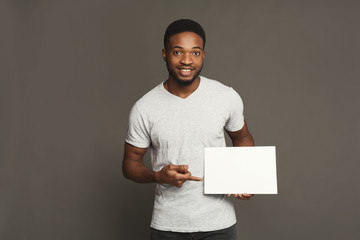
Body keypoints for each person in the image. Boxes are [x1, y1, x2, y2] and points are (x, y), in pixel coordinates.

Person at [123, 19, 255, 240]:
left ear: (203, 55)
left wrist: (243, 177)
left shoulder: (225, 96)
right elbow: (130, 164)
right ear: (165, 54)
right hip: (168, 226)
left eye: (195, 53)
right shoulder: (144, 107)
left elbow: (242, 136)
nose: (187, 60)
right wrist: (158, 176)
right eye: (177, 52)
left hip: (219, 224)